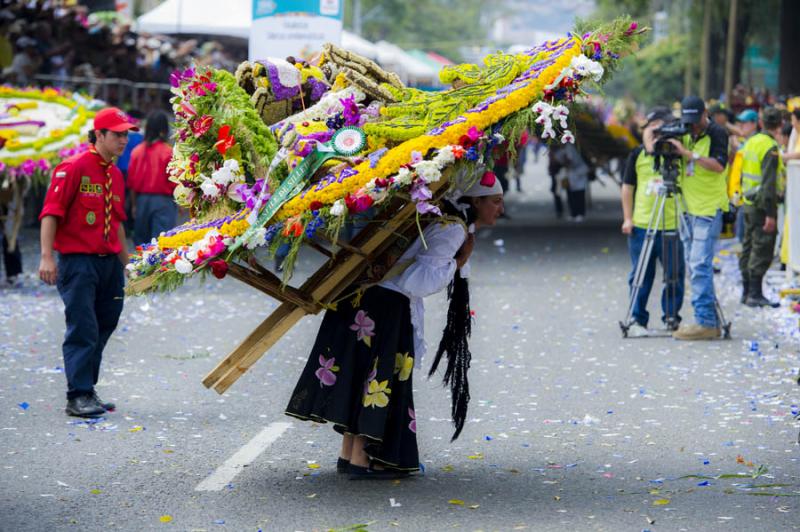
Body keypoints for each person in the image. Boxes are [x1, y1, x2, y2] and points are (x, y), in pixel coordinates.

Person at [285, 176, 504, 479]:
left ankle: (350, 455)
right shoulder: (452, 228)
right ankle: (365, 461)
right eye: (495, 201)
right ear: (476, 201)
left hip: (365, 298)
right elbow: (417, 281)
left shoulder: (440, 215)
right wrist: (459, 260)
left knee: (363, 373)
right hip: (384, 306)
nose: (500, 208)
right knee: (378, 379)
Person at [38, 107, 138, 418]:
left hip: (108, 264)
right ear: (99, 135)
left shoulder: (116, 174)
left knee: (106, 322)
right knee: (83, 327)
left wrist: (130, 263)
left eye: (126, 134)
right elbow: (51, 213)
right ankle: (77, 394)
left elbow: (118, 224)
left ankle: (88, 388)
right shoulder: (73, 168)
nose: (124, 140)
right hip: (78, 262)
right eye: (118, 134)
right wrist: (46, 257)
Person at [667, 96, 730, 340]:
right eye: (688, 121)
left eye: (696, 121)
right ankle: (707, 317)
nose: (692, 126)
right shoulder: (682, 129)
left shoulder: (717, 132)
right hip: (687, 207)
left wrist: (688, 154)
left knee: (699, 266)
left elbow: (719, 165)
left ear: (705, 114)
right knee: (693, 267)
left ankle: (706, 322)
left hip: (708, 208)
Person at [620, 107, 685, 336]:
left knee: (674, 275)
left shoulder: (678, 153)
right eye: (651, 128)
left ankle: (671, 317)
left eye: (661, 128)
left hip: (673, 224)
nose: (656, 133)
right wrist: (627, 218)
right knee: (640, 275)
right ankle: (637, 319)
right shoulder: (637, 154)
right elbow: (627, 188)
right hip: (642, 225)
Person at [738, 107, 784, 307]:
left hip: (747, 202)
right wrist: (771, 215)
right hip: (761, 206)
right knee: (762, 247)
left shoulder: (751, 142)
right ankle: (755, 294)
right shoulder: (770, 147)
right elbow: (768, 185)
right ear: (780, 125)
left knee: (748, 247)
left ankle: (747, 291)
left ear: (761, 123)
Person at [126, 110, 176, 245]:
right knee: (162, 244)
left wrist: (134, 205)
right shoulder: (168, 152)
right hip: (163, 203)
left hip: (141, 201)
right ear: (164, 129)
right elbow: (174, 181)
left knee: (141, 245)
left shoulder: (137, 151)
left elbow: (131, 182)